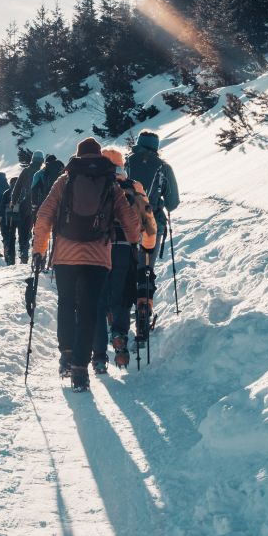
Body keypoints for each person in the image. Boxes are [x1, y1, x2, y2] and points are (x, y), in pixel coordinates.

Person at [31, 138, 142, 393]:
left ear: (78, 156)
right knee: (89, 309)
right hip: (98, 257)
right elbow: (130, 220)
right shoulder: (110, 183)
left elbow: (45, 215)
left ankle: (66, 357)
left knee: (67, 304)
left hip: (65, 256)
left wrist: (38, 249)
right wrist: (134, 241)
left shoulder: (65, 180)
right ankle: (81, 369)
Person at [91, 147, 157, 372]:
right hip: (126, 249)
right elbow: (149, 222)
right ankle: (119, 333)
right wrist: (146, 248)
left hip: (98, 249)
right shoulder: (133, 187)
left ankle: (99, 353)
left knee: (100, 298)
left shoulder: (94, 186)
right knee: (123, 296)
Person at [125, 130, 179, 256]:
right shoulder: (164, 167)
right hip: (151, 225)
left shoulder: (125, 163)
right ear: (156, 146)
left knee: (123, 270)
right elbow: (172, 203)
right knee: (145, 271)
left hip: (123, 224)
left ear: (139, 143)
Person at [0, 175, 19, 265]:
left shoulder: (6, 192)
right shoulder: (20, 191)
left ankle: (8, 256)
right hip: (15, 218)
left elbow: (1, 207)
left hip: (6, 219)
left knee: (7, 237)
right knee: (13, 237)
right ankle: (12, 259)